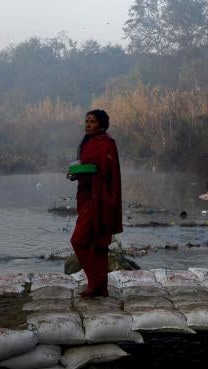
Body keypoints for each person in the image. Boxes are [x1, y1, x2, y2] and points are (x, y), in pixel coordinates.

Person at [68, 110, 122, 297]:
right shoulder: (88, 143)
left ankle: (95, 282)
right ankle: (101, 287)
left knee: (78, 240)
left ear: (102, 124)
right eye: (86, 121)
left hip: (100, 197)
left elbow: (109, 173)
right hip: (86, 195)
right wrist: (75, 174)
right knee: (94, 242)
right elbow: (85, 166)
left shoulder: (107, 144)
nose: (88, 124)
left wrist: (91, 173)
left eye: (92, 121)